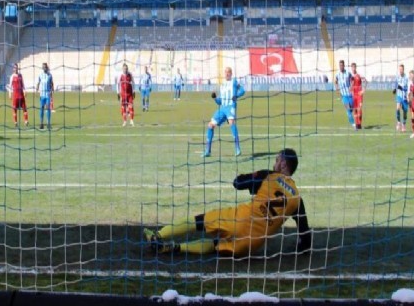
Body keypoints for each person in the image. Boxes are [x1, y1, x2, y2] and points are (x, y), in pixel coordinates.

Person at [144, 148, 311, 257]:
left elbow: (237, 183)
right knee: (217, 245)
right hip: (252, 244)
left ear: (282, 164)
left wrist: (254, 176)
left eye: (276, 160)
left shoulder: (269, 175)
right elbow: (305, 234)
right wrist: (302, 248)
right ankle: (174, 248)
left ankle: (157, 236)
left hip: (241, 219)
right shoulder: (297, 198)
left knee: (200, 221)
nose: (274, 163)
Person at [203, 67, 245, 157]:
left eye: (228, 72)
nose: (226, 74)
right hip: (222, 108)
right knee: (210, 125)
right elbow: (220, 102)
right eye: (225, 72)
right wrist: (215, 98)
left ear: (231, 73)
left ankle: (237, 149)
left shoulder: (234, 82)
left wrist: (236, 96)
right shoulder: (222, 85)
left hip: (230, 107)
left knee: (231, 123)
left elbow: (243, 90)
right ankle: (207, 151)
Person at [334, 60, 354, 128]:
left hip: (350, 95)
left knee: (351, 109)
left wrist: (351, 86)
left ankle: (350, 116)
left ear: (344, 66)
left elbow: (352, 80)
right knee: (348, 111)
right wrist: (337, 88)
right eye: (339, 65)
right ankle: (353, 124)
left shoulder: (348, 73)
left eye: (342, 65)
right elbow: (335, 82)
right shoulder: (337, 74)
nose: (340, 67)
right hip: (343, 96)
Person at [36, 62, 54, 130]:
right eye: (43, 67)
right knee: (41, 108)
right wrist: (37, 89)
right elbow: (38, 82)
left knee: (48, 108)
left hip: (47, 94)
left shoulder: (50, 75)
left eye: (45, 67)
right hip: (42, 95)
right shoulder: (40, 75)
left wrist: (52, 91)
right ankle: (41, 123)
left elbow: (52, 83)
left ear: (47, 67)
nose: (44, 68)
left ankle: (48, 123)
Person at [350, 63, 367, 130]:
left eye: (354, 67)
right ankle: (357, 124)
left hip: (359, 94)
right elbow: (351, 85)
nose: (353, 69)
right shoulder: (351, 76)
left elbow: (365, 81)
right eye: (352, 68)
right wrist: (351, 91)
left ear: (356, 68)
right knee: (355, 110)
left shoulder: (359, 75)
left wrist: (363, 90)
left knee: (359, 109)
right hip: (354, 95)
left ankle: (359, 123)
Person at [393, 64, 409, 132]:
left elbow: (408, 87)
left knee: (405, 112)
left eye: (401, 69)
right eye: (399, 69)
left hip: (405, 97)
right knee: (397, 108)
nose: (400, 71)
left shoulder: (407, 78)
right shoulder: (397, 76)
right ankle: (399, 122)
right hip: (399, 96)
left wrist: (402, 88)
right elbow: (396, 84)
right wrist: (394, 89)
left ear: (403, 70)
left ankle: (404, 125)